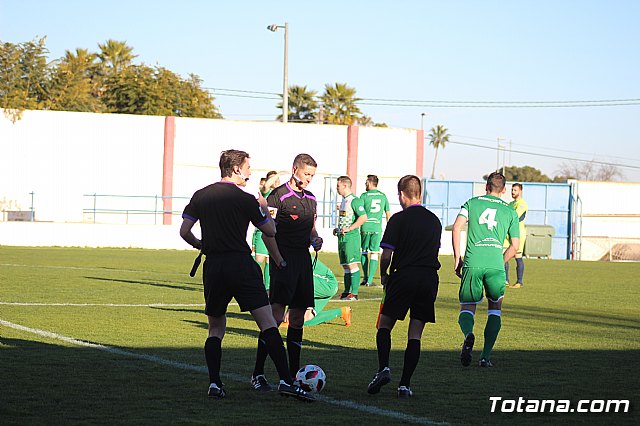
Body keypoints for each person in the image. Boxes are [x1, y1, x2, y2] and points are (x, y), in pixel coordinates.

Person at [179, 149, 314, 401]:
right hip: (240, 265)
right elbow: (270, 231)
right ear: (236, 169)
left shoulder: (201, 195)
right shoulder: (245, 199)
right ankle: (286, 380)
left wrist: (201, 245)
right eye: (248, 168)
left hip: (214, 266)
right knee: (267, 323)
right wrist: (263, 206)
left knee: (215, 327)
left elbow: (184, 230)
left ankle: (215, 383)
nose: (251, 173)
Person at [251, 153, 323, 390]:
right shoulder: (277, 196)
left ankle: (293, 376)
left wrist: (316, 238)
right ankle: (258, 373)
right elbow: (266, 232)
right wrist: (279, 260)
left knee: (298, 318)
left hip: (303, 260)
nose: (309, 179)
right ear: (295, 170)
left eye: (312, 175)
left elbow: (312, 229)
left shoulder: (311, 199)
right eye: (306, 174)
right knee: (274, 317)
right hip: (283, 261)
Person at [366, 175, 442, 398]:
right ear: (419, 193)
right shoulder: (434, 220)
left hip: (404, 276)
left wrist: (384, 275)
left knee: (385, 325)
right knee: (415, 334)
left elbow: (386, 254)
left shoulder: (398, 219)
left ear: (401, 194)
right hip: (428, 278)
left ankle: (384, 369)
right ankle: (405, 385)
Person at [452, 172, 520, 368]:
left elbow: (457, 227)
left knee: (467, 306)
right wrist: (501, 260)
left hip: (473, 262)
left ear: (486, 187)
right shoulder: (510, 211)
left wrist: (458, 258)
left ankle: (468, 334)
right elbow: (514, 246)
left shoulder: (471, 203)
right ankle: (485, 357)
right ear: (504, 190)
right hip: (495, 265)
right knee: (495, 310)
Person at [281, 257, 352, 327]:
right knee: (304, 320)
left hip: (327, 284)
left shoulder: (296, 256)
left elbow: (299, 283)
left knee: (295, 316)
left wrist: (290, 309)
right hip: (318, 284)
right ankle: (342, 311)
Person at [335, 176, 368, 300]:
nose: (337, 188)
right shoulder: (344, 201)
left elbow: (363, 217)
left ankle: (354, 293)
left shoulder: (355, 200)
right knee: (345, 265)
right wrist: (337, 229)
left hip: (351, 238)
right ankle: (347, 291)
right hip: (342, 238)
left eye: (338, 186)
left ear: (345, 185)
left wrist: (350, 228)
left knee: (352, 264)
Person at [360, 175, 391, 287]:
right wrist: (390, 228)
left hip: (365, 226)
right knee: (374, 252)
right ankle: (370, 280)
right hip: (376, 227)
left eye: (365, 182)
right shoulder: (383, 196)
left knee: (364, 251)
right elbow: (388, 214)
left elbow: (359, 212)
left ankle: (365, 277)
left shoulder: (364, 196)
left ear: (369, 182)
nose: (365, 184)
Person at [252, 171, 281, 290]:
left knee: (270, 261)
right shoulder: (266, 193)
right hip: (262, 232)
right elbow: (266, 186)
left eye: (278, 180)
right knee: (259, 259)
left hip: (274, 233)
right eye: (275, 179)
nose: (277, 181)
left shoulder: (280, 196)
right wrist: (279, 174)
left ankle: (268, 287)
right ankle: (253, 283)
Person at [504, 183, 528, 288]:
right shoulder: (510, 204)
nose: (513, 192)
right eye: (512, 190)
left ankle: (519, 282)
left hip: (518, 233)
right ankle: (505, 280)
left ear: (520, 191)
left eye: (515, 190)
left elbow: (515, 216)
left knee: (518, 257)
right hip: (508, 233)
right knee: (504, 256)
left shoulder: (522, 204)